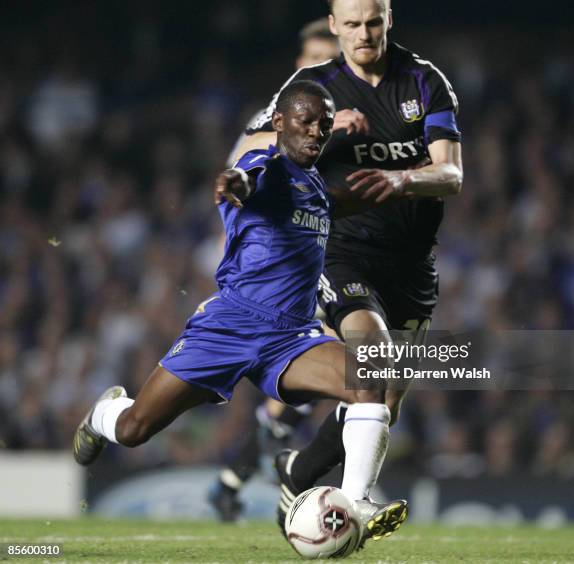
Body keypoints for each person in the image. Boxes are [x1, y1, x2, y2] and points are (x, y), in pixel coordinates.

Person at [73, 81, 407, 547]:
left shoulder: (317, 188)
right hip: (228, 329)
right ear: (279, 124)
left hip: (291, 338)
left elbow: (339, 200)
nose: (316, 132)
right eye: (306, 122)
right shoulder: (265, 168)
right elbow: (249, 180)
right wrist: (235, 183)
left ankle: (357, 502)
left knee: (370, 377)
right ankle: (105, 413)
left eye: (324, 125)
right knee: (134, 430)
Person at [234, 0, 463, 531]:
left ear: (389, 21)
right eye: (353, 24)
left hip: (411, 262)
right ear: (334, 26)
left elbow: (452, 173)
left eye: (375, 23)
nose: (365, 35)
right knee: (370, 349)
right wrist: (329, 131)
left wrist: (405, 181)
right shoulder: (311, 88)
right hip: (339, 249)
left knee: (383, 401)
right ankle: (356, 504)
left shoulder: (426, 82)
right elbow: (257, 143)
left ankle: (298, 470)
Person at [209, 17, 341, 522]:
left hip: (324, 250)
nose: (315, 68)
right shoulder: (275, 119)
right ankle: (275, 462)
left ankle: (236, 476)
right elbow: (243, 166)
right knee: (337, 366)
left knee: (317, 382)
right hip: (275, 260)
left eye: (325, 61)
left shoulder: (339, 120)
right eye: (309, 59)